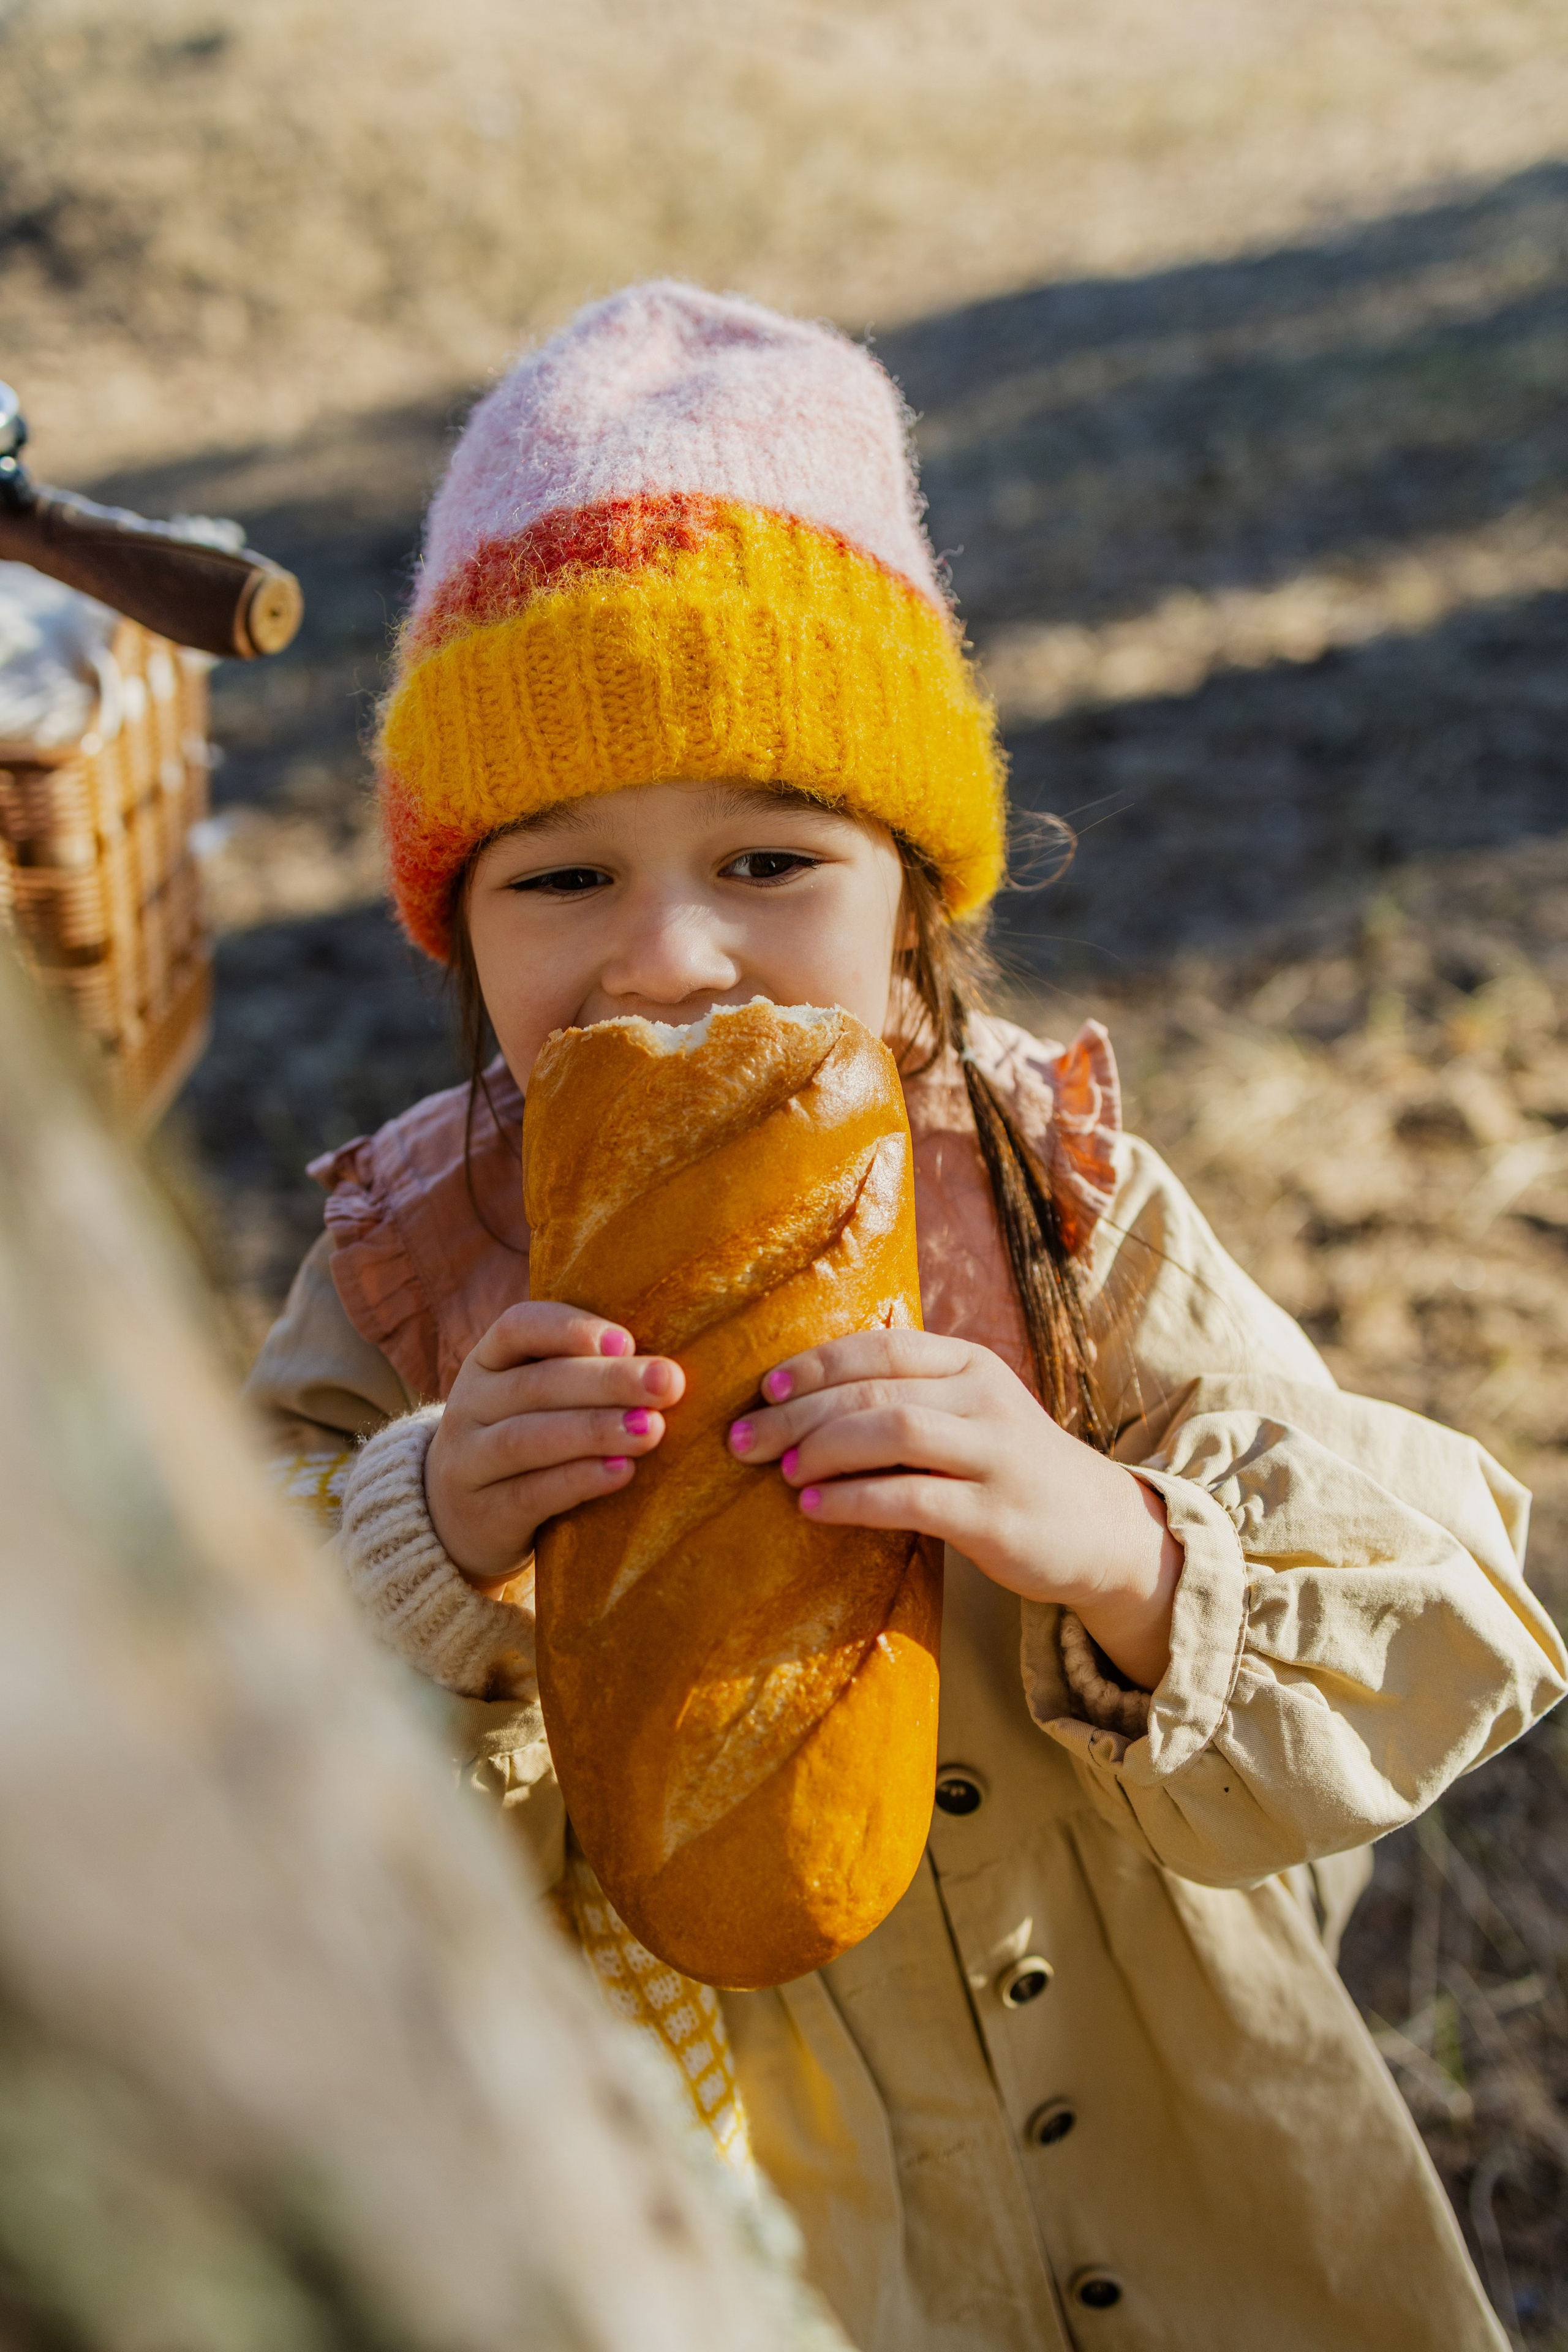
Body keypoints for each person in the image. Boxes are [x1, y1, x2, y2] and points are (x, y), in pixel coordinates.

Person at [247, 281, 1564, 2352]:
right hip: (753, 2222)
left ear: (915, 892)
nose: (670, 958)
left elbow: (1451, 1590)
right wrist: (420, 1542)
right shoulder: (417, 1265)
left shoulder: (1048, 1197)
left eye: (768, 856)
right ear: (453, 918)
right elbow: (206, 1721)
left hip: (1176, 2161)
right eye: (560, 880)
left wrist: (1122, 1545)